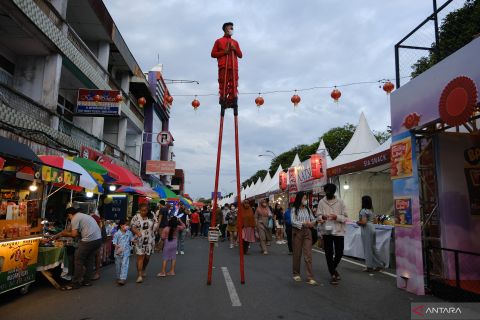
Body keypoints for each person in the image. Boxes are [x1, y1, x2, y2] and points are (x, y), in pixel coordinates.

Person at [55, 207, 102, 290]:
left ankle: (75, 282)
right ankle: (87, 281)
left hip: (89, 241)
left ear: (70, 214)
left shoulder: (75, 218)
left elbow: (74, 234)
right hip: (98, 240)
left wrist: (64, 234)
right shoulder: (83, 216)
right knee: (89, 259)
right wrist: (58, 235)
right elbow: (70, 230)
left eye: (68, 217)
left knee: (78, 259)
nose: (69, 219)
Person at [318, 183, 348, 285]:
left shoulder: (340, 202)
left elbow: (345, 217)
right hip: (327, 231)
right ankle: (333, 274)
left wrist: (336, 217)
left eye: (329, 192)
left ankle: (332, 269)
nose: (327, 194)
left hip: (339, 230)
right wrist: (322, 218)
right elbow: (318, 215)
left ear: (334, 192)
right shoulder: (321, 202)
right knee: (329, 253)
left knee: (340, 252)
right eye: (326, 192)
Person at [211, 22, 243, 107]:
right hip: (223, 66)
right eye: (230, 28)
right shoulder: (219, 41)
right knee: (223, 83)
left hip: (233, 66)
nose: (232, 29)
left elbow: (240, 55)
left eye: (232, 28)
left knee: (234, 84)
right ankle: (223, 99)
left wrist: (235, 49)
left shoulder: (235, 42)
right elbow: (213, 54)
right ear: (225, 29)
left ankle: (232, 99)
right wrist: (224, 52)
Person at [291, 192, 318, 286]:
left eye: (306, 198)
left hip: (307, 232)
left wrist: (315, 221)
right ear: (300, 199)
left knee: (308, 255)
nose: (305, 200)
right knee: (297, 254)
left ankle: (310, 277)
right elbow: (293, 221)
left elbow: (312, 219)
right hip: (297, 232)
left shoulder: (308, 208)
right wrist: (304, 223)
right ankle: (296, 273)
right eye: (304, 198)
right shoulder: (294, 209)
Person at [130, 204, 159, 283]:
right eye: (142, 210)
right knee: (140, 258)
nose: (143, 212)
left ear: (147, 210)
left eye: (145, 210)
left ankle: (143, 268)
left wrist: (155, 227)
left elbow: (156, 223)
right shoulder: (136, 217)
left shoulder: (152, 215)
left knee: (147, 258)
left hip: (150, 239)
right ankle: (139, 275)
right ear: (139, 210)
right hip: (139, 240)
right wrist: (137, 232)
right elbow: (132, 226)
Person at [357, 196, 385, 272]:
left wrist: (358, 222)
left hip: (366, 229)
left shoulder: (363, 211)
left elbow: (364, 222)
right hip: (372, 228)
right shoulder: (371, 210)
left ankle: (369, 266)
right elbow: (375, 221)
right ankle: (380, 264)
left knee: (367, 248)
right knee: (373, 247)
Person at [112, 220, 134, 285]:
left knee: (125, 264)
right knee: (118, 265)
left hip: (126, 251)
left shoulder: (129, 233)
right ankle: (118, 277)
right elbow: (114, 242)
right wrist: (117, 246)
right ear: (121, 225)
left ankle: (123, 278)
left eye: (128, 225)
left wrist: (135, 240)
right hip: (118, 252)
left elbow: (132, 239)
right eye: (126, 224)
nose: (127, 226)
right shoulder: (117, 233)